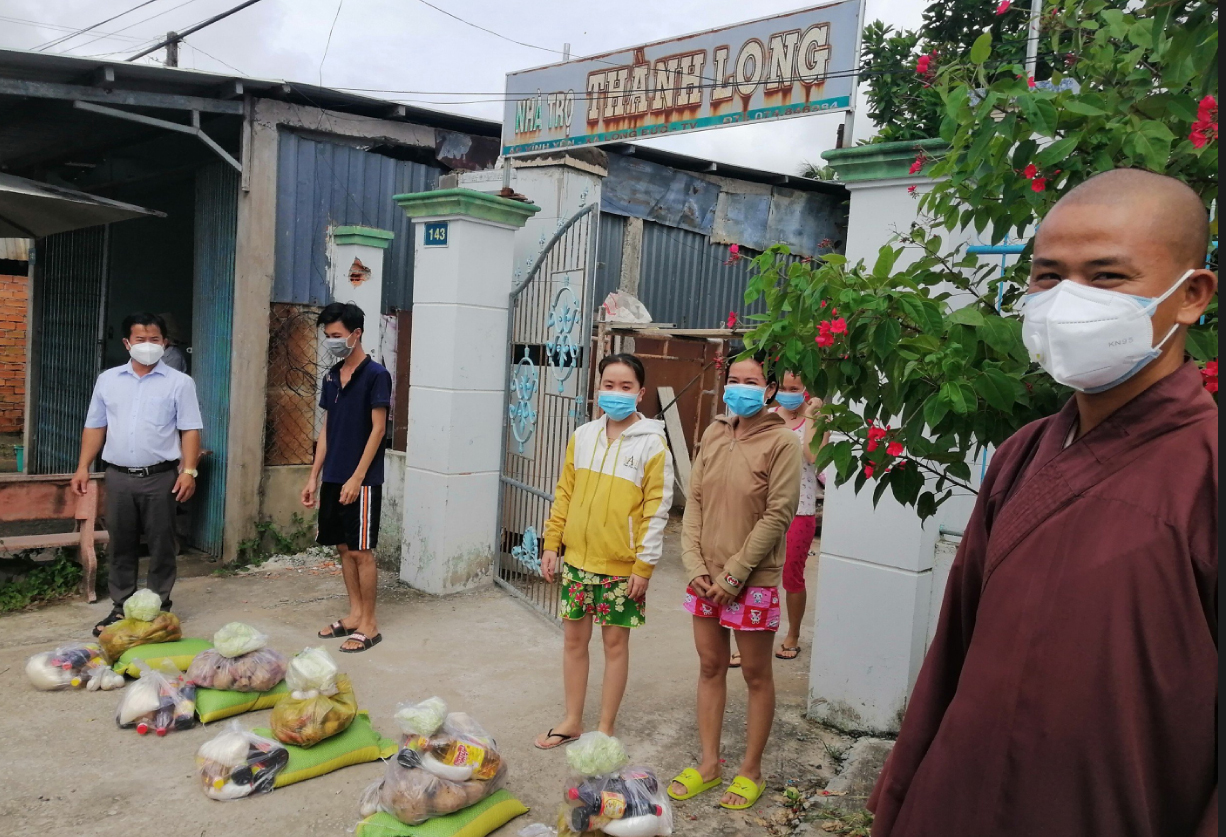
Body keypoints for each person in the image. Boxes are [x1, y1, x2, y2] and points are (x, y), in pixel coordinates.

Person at [868, 169, 1218, 837]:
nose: (1067, 302)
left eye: (1106, 277)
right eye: (1048, 277)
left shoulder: (1208, 473)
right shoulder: (1022, 454)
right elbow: (951, 654)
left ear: (1191, 295)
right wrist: (902, 796)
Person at [669, 352, 801, 812]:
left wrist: (734, 574)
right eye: (735, 379)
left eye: (752, 380)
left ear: (769, 390)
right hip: (704, 577)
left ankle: (751, 771)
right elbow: (695, 501)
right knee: (710, 666)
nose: (740, 388)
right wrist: (695, 566)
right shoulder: (714, 432)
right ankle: (709, 764)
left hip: (752, 579)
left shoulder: (783, 443)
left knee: (755, 674)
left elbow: (778, 514)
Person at [535, 353, 674, 750]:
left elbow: (657, 509)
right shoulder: (582, 436)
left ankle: (605, 729)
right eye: (609, 385)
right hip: (578, 560)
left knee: (615, 646)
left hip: (621, 567)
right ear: (598, 389)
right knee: (573, 643)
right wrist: (552, 543)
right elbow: (564, 493)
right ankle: (572, 720)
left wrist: (644, 566)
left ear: (641, 393)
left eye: (626, 386)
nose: (616, 392)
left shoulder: (653, 444)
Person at [73, 312, 203, 636]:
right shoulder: (108, 380)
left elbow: (190, 429)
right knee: (121, 543)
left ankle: (157, 607)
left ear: (165, 343)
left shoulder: (179, 383)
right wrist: (83, 467)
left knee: (161, 544)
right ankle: (121, 607)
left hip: (161, 477)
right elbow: (95, 426)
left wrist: (189, 471)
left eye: (154, 339)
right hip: (118, 477)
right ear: (127, 343)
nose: (148, 345)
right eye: (140, 339)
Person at [302, 302, 392, 654]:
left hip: (362, 480)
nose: (332, 341)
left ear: (356, 334)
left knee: (361, 551)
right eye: (328, 336)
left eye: (337, 335)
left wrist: (357, 478)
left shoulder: (376, 375)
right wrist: (314, 476)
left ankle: (369, 623)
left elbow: (378, 429)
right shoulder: (331, 376)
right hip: (333, 477)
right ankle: (354, 614)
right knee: (342, 547)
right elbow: (327, 428)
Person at [769, 372, 828, 661]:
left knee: (792, 574)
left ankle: (792, 633)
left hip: (800, 509)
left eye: (795, 388)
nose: (788, 393)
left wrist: (812, 416)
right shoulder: (768, 416)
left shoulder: (818, 420)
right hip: (765, 508)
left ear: (806, 389)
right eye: (783, 387)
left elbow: (813, 456)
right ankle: (753, 633)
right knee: (757, 574)